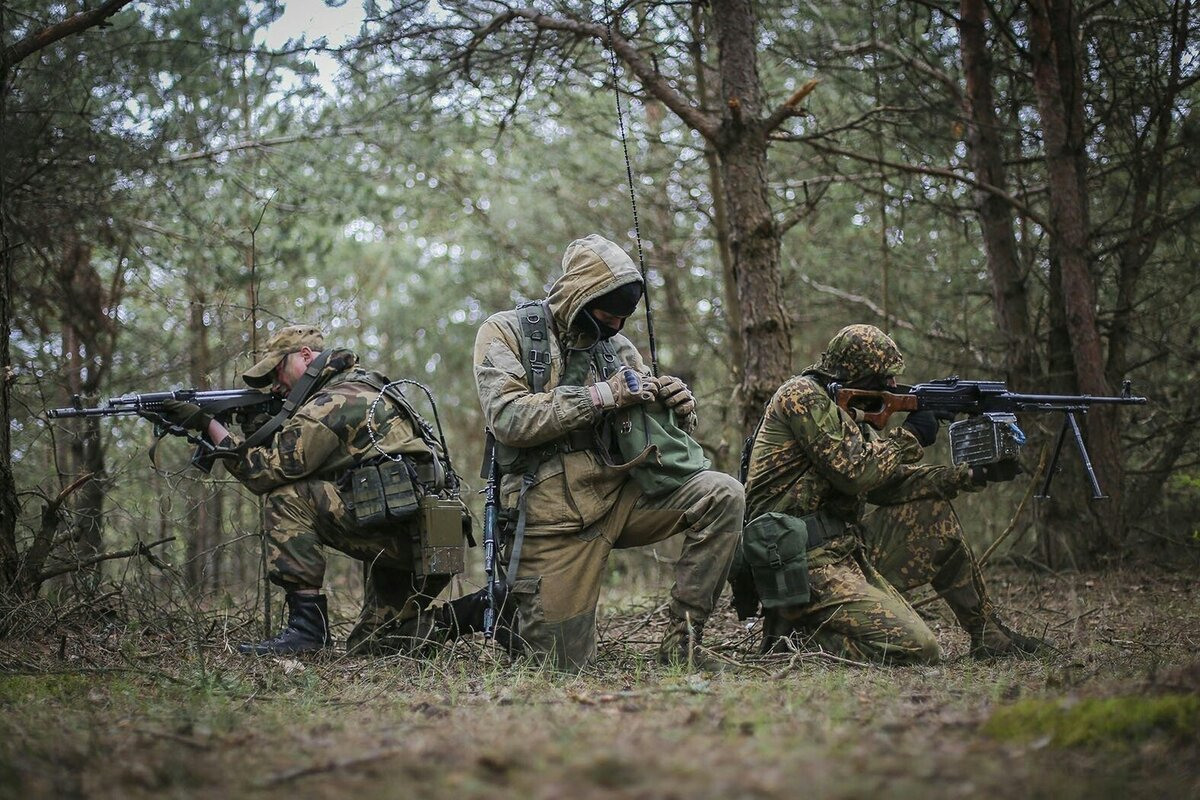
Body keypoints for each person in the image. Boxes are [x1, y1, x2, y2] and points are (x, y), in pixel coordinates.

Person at [473, 234, 744, 671]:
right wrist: (599, 396)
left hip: (621, 497)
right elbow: (508, 418)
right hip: (551, 520)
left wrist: (677, 408)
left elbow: (647, 427)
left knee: (722, 494)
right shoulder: (505, 332)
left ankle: (682, 642)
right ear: (579, 296)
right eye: (606, 314)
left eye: (623, 317)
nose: (616, 326)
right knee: (560, 668)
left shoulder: (616, 347)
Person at [156, 324, 489, 655]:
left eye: (278, 372)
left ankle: (308, 631)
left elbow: (265, 473)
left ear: (304, 357)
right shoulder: (364, 386)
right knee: (375, 646)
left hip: (408, 535)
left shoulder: (333, 401)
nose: (277, 385)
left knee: (288, 498)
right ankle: (479, 609)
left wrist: (208, 424)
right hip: (432, 537)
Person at [741, 324, 1047, 663]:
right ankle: (799, 639)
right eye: (882, 377)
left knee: (933, 515)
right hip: (802, 563)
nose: (890, 385)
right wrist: (910, 436)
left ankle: (988, 634)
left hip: (846, 551)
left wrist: (967, 475)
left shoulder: (849, 415)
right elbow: (855, 473)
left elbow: (886, 484)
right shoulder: (801, 395)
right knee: (921, 648)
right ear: (854, 372)